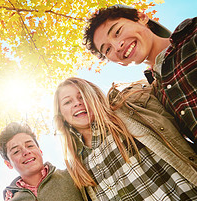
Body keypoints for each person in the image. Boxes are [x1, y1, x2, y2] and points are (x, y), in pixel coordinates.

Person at [53, 77, 197, 201]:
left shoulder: (123, 117)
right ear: (61, 115)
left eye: (82, 96)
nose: (78, 104)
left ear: (94, 97)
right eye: (68, 102)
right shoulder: (78, 164)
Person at [83, 4, 197, 149]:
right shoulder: (153, 94)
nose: (117, 46)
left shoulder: (192, 33)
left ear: (141, 17)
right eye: (108, 49)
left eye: (117, 31)